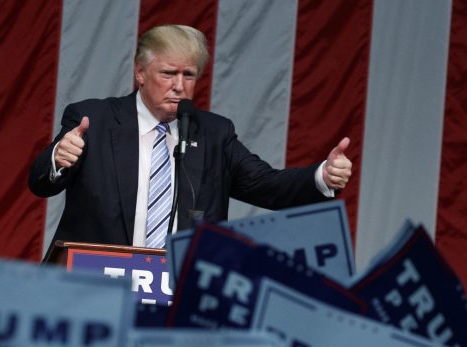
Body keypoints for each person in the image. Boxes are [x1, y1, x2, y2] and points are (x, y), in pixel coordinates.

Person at [29, 24, 353, 259]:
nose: (179, 86)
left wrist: (321, 176)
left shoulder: (213, 134)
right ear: (140, 73)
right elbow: (41, 184)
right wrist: (59, 157)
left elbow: (268, 185)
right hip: (92, 289)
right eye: (169, 73)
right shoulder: (94, 120)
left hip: (175, 298)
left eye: (189, 75)